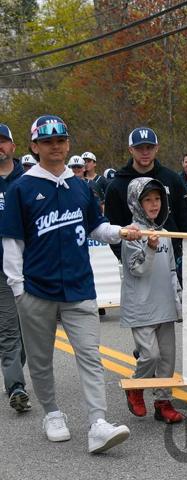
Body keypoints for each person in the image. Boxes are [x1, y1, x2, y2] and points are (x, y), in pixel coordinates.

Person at [0, 115, 141, 453]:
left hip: (79, 288)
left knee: (90, 356)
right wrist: (18, 288)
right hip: (37, 290)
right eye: (48, 142)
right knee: (40, 358)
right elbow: (11, 242)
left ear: (68, 144)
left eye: (61, 141)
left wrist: (121, 231)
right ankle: (51, 413)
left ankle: (98, 423)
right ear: (34, 146)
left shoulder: (79, 186)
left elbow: (96, 226)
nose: (56, 147)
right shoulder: (22, 187)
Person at [121, 178, 184, 424]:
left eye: (157, 199)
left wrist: (177, 302)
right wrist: (148, 247)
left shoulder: (165, 233)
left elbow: (170, 271)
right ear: (137, 202)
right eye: (147, 199)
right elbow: (137, 270)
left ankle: (163, 402)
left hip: (165, 305)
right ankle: (136, 388)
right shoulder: (131, 233)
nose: (154, 204)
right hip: (141, 307)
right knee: (150, 355)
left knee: (167, 358)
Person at [104, 127, 187, 263]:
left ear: (157, 148)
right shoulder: (117, 185)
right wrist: (124, 258)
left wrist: (183, 252)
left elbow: (185, 218)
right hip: (135, 259)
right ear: (130, 150)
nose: (145, 152)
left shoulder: (172, 178)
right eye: (139, 148)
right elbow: (112, 226)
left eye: (149, 147)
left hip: (172, 258)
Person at [0, 124, 29, 412]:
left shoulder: (28, 179)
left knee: (25, 331)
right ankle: (16, 386)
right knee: (8, 329)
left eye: (3, 141)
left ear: (13, 146)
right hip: (0, 270)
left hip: (32, 266)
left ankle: (14, 369)